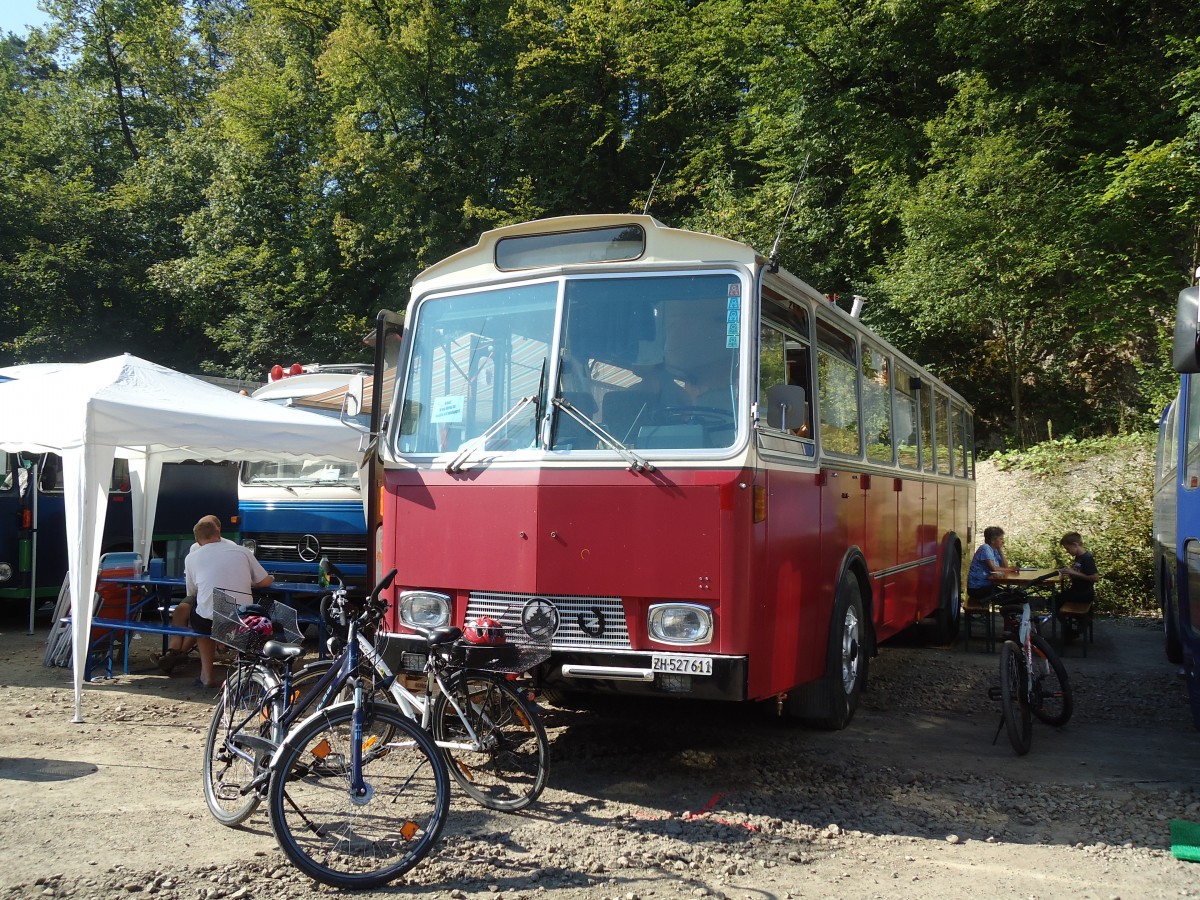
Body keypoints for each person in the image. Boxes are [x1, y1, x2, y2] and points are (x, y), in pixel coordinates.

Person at [152, 515, 272, 688]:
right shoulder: (241, 550)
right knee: (213, 613)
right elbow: (264, 581)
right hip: (243, 617)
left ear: (197, 540)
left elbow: (192, 592)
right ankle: (240, 668)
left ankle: (206, 675)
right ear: (219, 532)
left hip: (211, 620)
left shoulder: (192, 557)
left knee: (201, 615)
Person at [1056, 531, 1100, 639]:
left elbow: (1095, 577)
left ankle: (1074, 627)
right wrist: (1068, 571)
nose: (1067, 552)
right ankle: (1072, 627)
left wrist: (1074, 573)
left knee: (1054, 601)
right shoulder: (1078, 557)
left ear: (1075, 545)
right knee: (1055, 599)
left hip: (1084, 594)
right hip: (1076, 591)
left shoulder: (1087, 558)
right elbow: (1078, 573)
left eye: (1067, 549)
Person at [967, 526, 1016, 602]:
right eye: (1001, 539)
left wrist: (1000, 551)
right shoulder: (985, 548)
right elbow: (994, 569)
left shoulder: (994, 550)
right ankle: (1011, 612)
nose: (1003, 541)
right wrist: (1011, 569)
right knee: (1009, 596)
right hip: (977, 588)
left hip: (987, 585)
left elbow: (1005, 567)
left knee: (1012, 594)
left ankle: (1012, 612)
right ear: (993, 540)